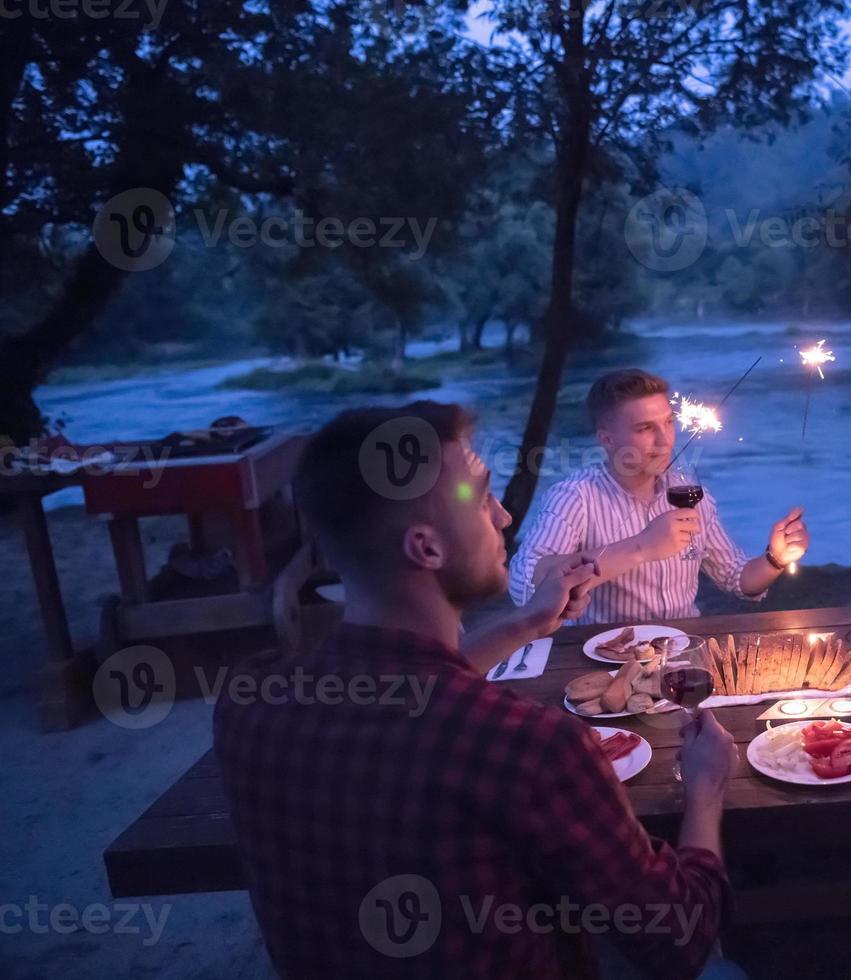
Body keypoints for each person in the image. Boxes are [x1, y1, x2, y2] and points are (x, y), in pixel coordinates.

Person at [214, 401, 741, 980]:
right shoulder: (532, 748)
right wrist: (706, 787)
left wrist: (524, 624)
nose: (503, 517)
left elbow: (405, 689)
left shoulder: (250, 702)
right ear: (427, 549)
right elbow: (676, 938)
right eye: (481, 495)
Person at [509, 368, 809, 625]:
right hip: (608, 657)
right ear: (607, 439)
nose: (665, 440)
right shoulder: (575, 497)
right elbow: (523, 587)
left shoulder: (690, 494)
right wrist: (641, 547)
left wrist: (775, 558)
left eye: (668, 422)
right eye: (645, 428)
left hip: (684, 649)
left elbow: (736, 577)